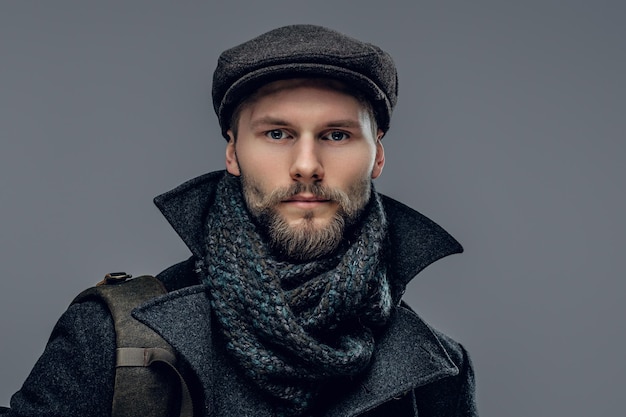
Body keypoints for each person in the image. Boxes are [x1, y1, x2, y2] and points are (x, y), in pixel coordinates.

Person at [1, 25, 477, 417]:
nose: (306, 164)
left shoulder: (439, 371)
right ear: (233, 152)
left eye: (336, 134)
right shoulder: (111, 338)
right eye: (276, 133)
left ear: (377, 156)